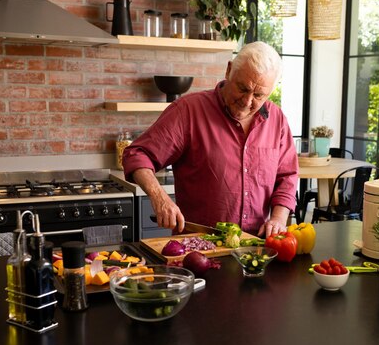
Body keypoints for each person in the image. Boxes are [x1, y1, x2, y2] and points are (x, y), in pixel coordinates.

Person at [122, 41, 298, 237]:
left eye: (258, 95)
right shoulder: (188, 111)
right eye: (242, 88)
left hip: (254, 248)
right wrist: (160, 197)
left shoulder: (278, 120)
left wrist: (278, 218)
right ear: (229, 70)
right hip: (197, 249)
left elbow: (287, 177)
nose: (247, 101)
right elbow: (137, 154)